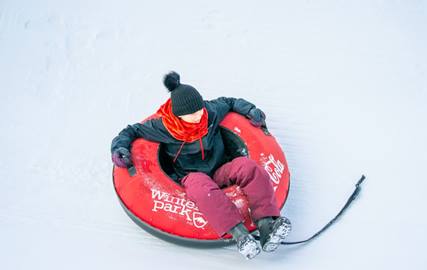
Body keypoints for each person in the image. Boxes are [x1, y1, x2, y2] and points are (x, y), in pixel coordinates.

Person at [110, 71, 291, 260]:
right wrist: (119, 148)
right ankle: (240, 236)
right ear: (179, 115)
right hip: (191, 174)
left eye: (199, 110)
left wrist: (250, 110)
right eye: (191, 114)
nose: (198, 116)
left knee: (249, 168)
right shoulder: (164, 128)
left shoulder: (209, 112)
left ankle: (266, 226)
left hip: (220, 168)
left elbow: (230, 102)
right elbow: (131, 131)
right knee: (202, 189)